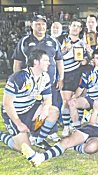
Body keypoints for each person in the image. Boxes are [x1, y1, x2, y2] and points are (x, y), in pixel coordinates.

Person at [21, 91, 98, 167]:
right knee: (67, 141)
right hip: (92, 129)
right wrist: (95, 110)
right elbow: (92, 123)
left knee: (91, 148)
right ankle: (40, 157)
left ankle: (72, 147)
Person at [12, 15, 64, 143]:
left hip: (49, 83)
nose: (40, 27)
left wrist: (61, 78)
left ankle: (51, 131)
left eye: (43, 24)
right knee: (34, 109)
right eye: (37, 24)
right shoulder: (24, 41)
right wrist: (19, 81)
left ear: (46, 26)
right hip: (30, 85)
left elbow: (59, 61)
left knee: (52, 107)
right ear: (32, 25)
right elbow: (17, 62)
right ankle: (34, 133)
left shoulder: (53, 41)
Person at [0, 49, 59, 151]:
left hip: (29, 109)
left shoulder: (45, 77)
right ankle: (1, 135)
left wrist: (45, 109)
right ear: (36, 61)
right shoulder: (19, 77)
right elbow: (7, 104)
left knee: (53, 111)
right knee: (24, 149)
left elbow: (48, 99)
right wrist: (19, 124)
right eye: (45, 60)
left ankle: (38, 140)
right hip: (13, 114)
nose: (49, 63)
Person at [67, 49, 98, 133]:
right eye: (97, 58)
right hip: (89, 99)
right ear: (93, 60)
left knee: (94, 125)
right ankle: (76, 127)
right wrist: (74, 97)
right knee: (72, 103)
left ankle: (93, 122)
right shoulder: (87, 72)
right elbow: (81, 87)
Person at [57, 19, 88, 137]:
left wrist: (85, 60)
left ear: (80, 29)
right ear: (69, 27)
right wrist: (64, 50)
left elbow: (86, 59)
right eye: (73, 25)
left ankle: (76, 124)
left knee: (77, 99)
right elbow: (55, 56)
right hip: (66, 74)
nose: (75, 28)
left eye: (78, 26)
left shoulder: (82, 43)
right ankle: (66, 126)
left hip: (78, 73)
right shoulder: (61, 39)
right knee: (66, 101)